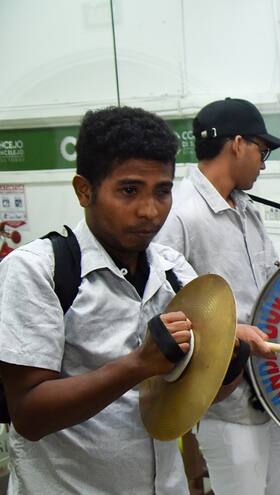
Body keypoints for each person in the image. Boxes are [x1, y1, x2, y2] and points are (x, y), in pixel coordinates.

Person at [0, 106, 241, 493]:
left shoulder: (174, 271)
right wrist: (138, 365)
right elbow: (28, 414)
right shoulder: (38, 270)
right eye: (129, 190)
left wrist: (228, 367)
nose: (149, 211)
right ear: (84, 190)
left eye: (163, 191)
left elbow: (198, 396)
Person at [155, 98, 280, 495]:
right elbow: (161, 310)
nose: (265, 162)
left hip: (273, 390)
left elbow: (271, 284)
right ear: (237, 144)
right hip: (228, 402)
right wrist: (234, 332)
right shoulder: (180, 215)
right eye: (263, 149)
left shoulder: (247, 209)